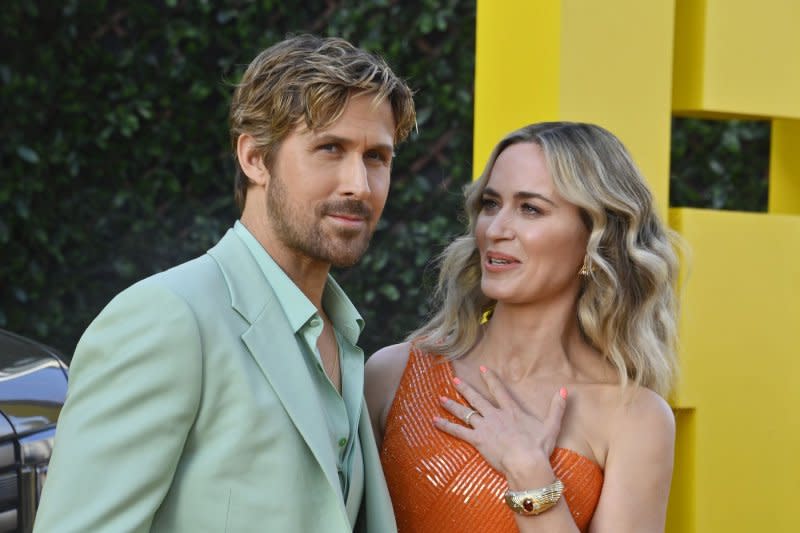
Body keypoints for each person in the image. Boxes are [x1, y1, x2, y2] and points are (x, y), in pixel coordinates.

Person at [34, 34, 415, 533]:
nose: (359, 185)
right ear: (255, 158)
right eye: (329, 149)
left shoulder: (341, 333)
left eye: (376, 158)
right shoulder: (167, 319)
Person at [366, 122, 681, 532]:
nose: (495, 230)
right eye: (492, 204)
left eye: (530, 209)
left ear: (595, 239)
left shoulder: (633, 417)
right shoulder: (392, 375)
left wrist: (531, 476)